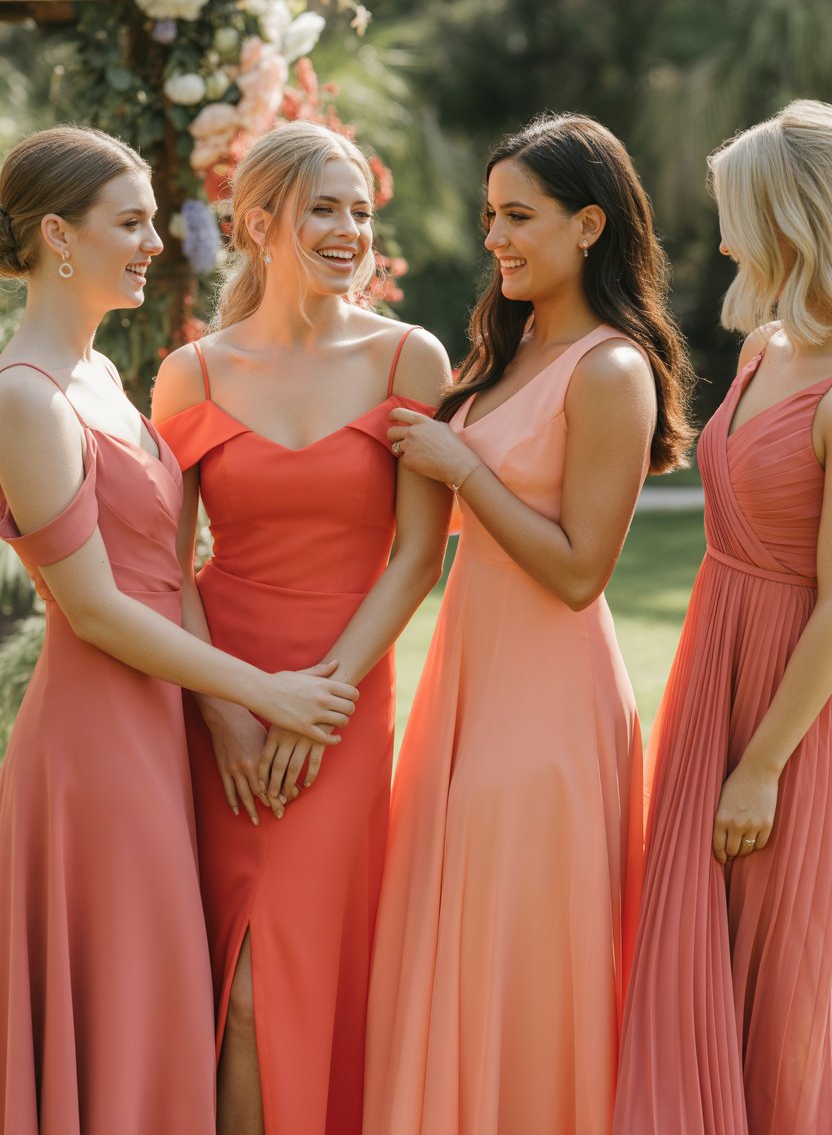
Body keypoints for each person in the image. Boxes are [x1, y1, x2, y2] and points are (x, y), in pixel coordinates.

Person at [0, 125, 357, 1135]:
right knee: (129, 993)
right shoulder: (22, 398)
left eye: (155, 218)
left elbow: (170, 563)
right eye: (132, 221)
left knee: (165, 993)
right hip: (97, 747)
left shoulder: (104, 377)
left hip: (159, 727)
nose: (159, 239)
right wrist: (263, 690)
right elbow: (98, 608)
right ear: (58, 237)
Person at [363, 111, 695, 1135]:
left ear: (589, 224)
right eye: (489, 215)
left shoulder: (610, 369)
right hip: (464, 687)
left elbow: (580, 571)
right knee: (450, 945)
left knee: (521, 959)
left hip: (546, 707)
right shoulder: (501, 352)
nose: (496, 236)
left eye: (520, 216)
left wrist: (462, 466)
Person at [151, 120, 451, 1135]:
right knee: (231, 978)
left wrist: (317, 700)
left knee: (289, 971)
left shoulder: (410, 357)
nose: (348, 229)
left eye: (362, 211)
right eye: (325, 207)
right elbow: (167, 561)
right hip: (218, 703)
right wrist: (228, 709)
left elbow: (416, 554)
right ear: (260, 222)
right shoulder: (192, 372)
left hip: (344, 701)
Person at [614, 99, 832, 1134]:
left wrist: (762, 764)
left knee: (784, 968)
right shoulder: (764, 347)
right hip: (717, 660)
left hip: (796, 705)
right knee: (701, 938)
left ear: (792, 215)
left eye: (734, 209)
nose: (719, 233)